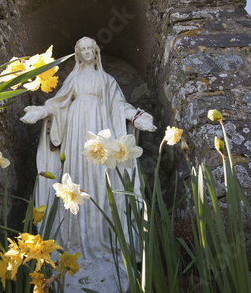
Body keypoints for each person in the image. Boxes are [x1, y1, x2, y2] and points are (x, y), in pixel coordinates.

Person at [21, 37, 156, 261]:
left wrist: (135, 116)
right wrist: (42, 112)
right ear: (77, 53)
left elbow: (118, 104)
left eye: (89, 49)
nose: (86, 53)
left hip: (102, 123)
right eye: (81, 49)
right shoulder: (73, 79)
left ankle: (102, 236)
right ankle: (73, 236)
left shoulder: (107, 79)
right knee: (77, 172)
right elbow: (59, 102)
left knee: (103, 176)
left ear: (96, 52)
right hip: (75, 129)